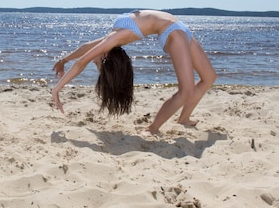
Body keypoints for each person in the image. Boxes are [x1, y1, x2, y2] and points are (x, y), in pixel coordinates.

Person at [51, 10, 216, 134]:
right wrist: (64, 63)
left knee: (209, 77)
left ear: (105, 54)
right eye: (97, 64)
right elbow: (86, 56)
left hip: (179, 26)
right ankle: (152, 129)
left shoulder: (113, 38)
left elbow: (83, 57)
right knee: (186, 91)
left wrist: (61, 71)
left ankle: (184, 119)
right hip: (173, 32)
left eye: (96, 63)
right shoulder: (115, 38)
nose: (93, 60)